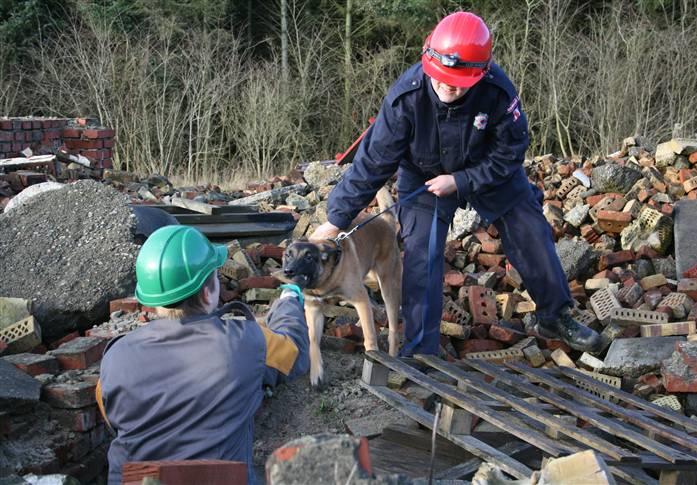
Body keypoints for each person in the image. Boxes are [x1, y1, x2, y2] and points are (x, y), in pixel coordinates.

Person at [310, 11, 601, 355]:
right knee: (422, 253)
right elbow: (372, 162)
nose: (447, 85)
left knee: (528, 227)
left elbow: (510, 151)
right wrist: (336, 220)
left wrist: (461, 180)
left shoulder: (497, 92)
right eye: (440, 77)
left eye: (458, 80)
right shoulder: (405, 98)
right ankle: (421, 350)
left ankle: (555, 315)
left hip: (488, 170)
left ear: (481, 73)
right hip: (424, 175)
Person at [97, 225, 309, 485]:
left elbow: (112, 418)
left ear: (151, 298)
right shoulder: (245, 341)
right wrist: (289, 299)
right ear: (208, 292)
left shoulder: (115, 356)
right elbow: (294, 354)